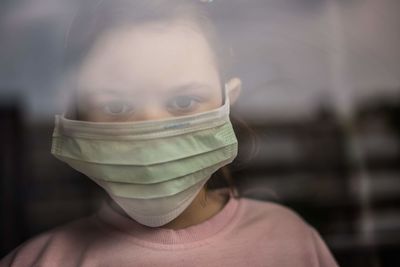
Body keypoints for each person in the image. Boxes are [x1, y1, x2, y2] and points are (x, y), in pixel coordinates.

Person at [1, 0, 338, 266]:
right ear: (77, 119)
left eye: (183, 100)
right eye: (117, 108)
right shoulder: (36, 262)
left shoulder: (290, 243)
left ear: (226, 104)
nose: (151, 130)